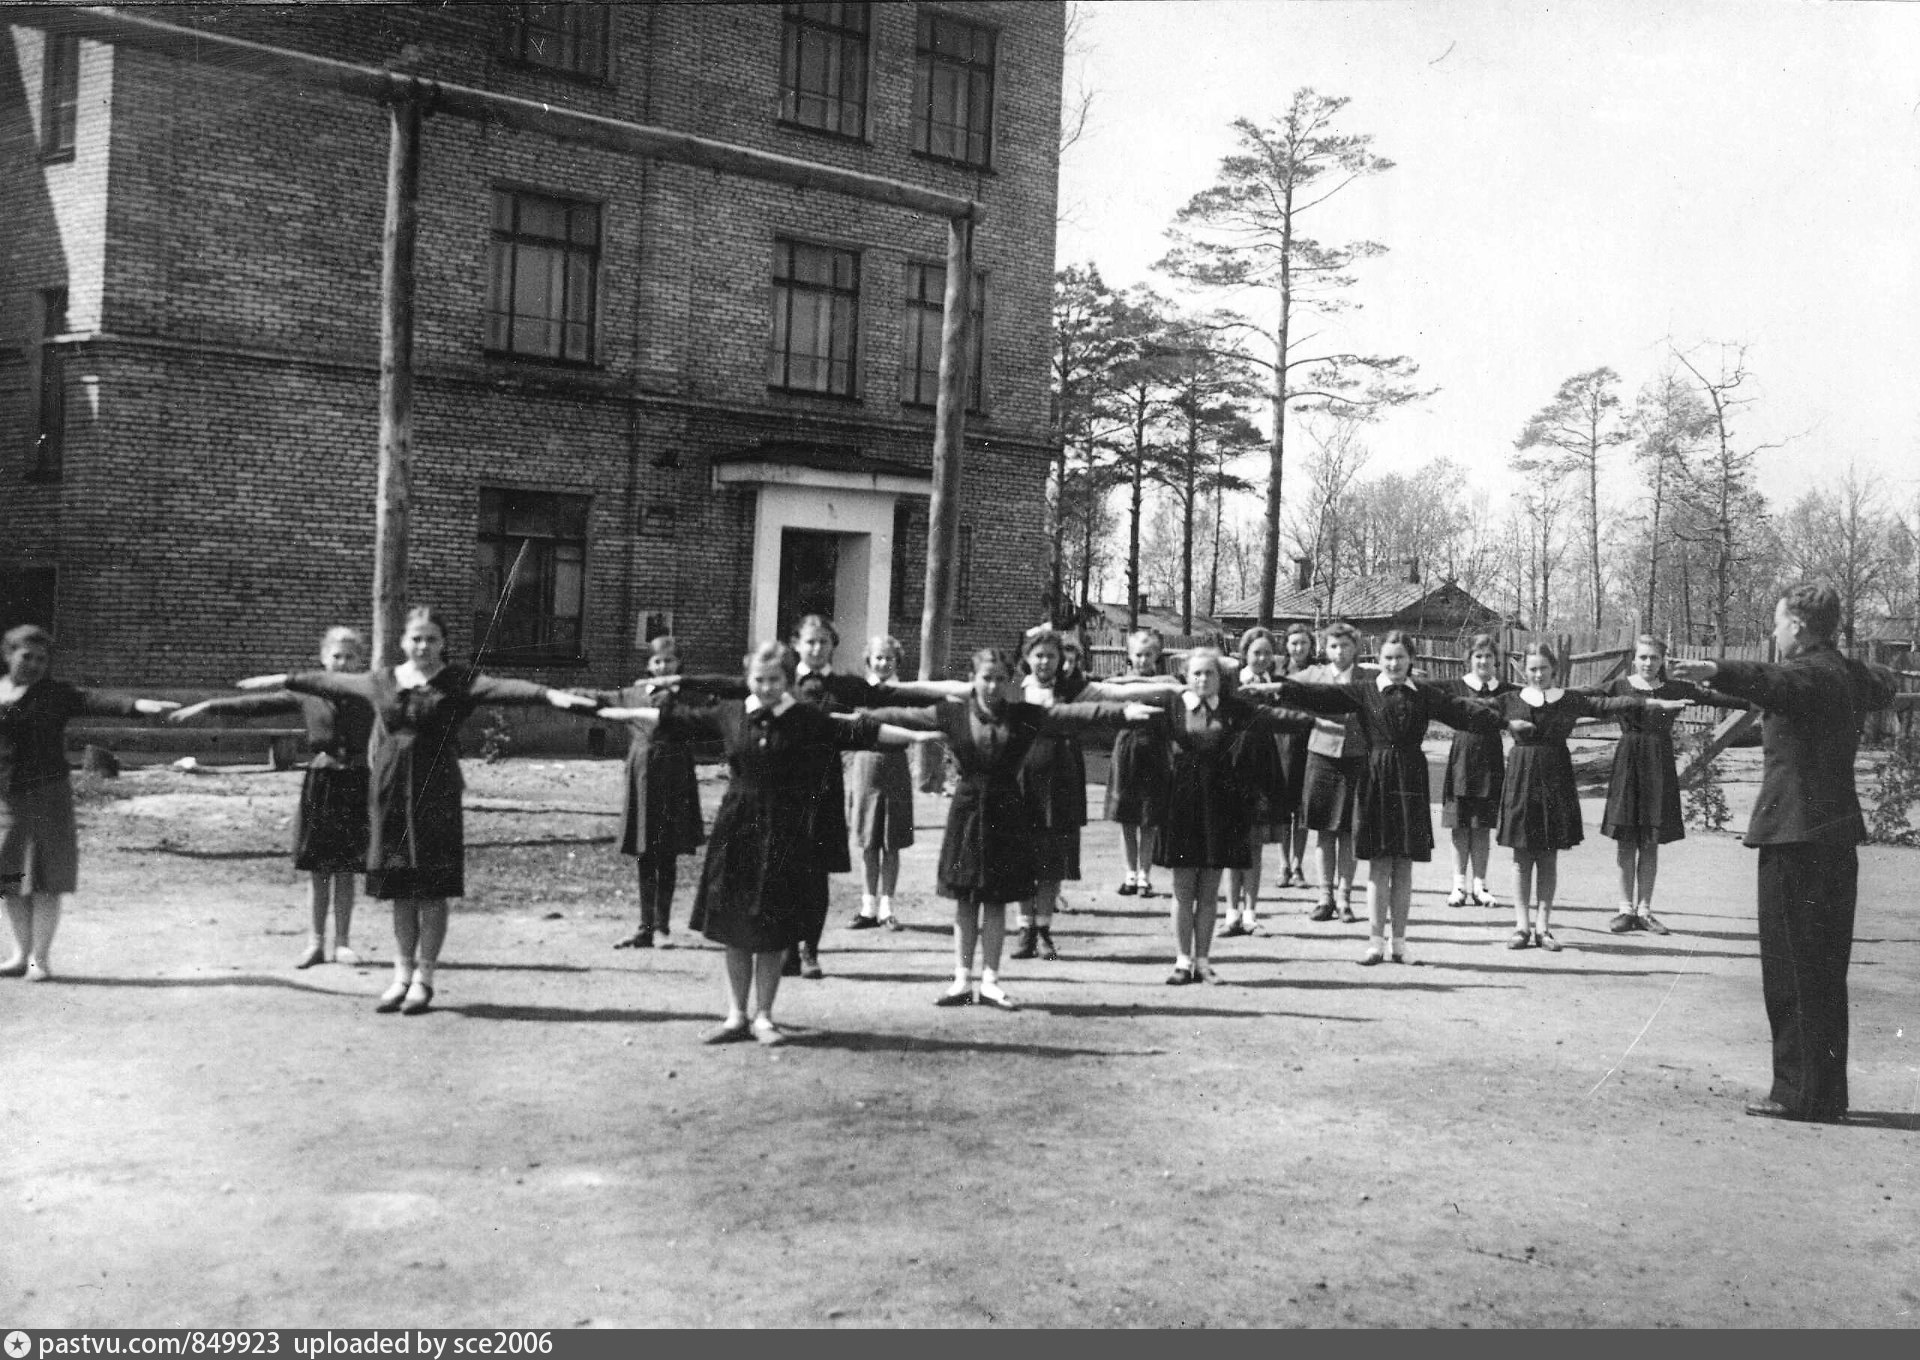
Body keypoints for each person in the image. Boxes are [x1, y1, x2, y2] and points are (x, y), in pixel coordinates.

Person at [242, 606, 602, 1015]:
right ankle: (400, 976)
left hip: (436, 789)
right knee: (400, 887)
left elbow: (504, 687)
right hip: (391, 789)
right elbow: (330, 679)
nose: (423, 646)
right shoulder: (383, 680)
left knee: (431, 886)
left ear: (443, 643)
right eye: (416, 638)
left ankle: (424, 978)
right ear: (402, 643)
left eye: (431, 638)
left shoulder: (459, 681)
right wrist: (281, 679)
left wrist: (549, 695)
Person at [598, 642, 935, 1044]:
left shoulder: (807, 718)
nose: (767, 687)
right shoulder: (730, 713)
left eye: (775, 680)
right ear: (748, 678)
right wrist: (608, 710)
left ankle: (764, 1017)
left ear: (788, 681)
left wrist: (924, 736)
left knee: (773, 931)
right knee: (733, 927)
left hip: (784, 833)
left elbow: (862, 729)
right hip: (737, 831)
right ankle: (736, 1015)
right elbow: (671, 718)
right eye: (759, 679)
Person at [1671, 584, 1895, 1123]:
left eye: (1777, 623)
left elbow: (1773, 680)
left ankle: (1797, 1094)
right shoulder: (1843, 675)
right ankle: (1825, 1093)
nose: (1773, 633)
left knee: (1792, 968)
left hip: (1796, 838)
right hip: (1834, 836)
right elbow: (1880, 683)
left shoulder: (1808, 675)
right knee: (1823, 968)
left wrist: (1715, 669)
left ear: (1798, 625)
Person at [860, 648, 1157, 1009]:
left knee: (997, 902)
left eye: (1001, 678)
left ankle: (990, 981)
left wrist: (1122, 712)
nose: (993, 685)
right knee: (965, 903)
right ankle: (960, 980)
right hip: (966, 814)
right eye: (986, 677)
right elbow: (901, 714)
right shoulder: (951, 713)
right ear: (973, 679)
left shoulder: (1023, 715)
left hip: (1006, 813)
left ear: (1009, 681)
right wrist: (853, 715)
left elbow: (1069, 715)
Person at [668, 615, 953, 978]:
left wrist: (944, 700)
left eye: (824, 642)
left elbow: (889, 699)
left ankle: (810, 950)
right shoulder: (775, 680)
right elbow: (726, 688)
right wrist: (679, 680)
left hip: (823, 789)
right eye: (810, 642)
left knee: (815, 873)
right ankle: (782, 946)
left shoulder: (846, 686)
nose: (817, 649)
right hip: (781, 792)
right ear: (797, 644)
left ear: (833, 645)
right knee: (779, 869)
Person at [1243, 631, 1519, 966]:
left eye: (1400, 657)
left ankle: (1399, 944)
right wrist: (1277, 689)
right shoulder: (1364, 691)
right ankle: (1375, 943)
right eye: (1388, 657)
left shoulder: (1425, 694)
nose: (1393, 664)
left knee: (1403, 866)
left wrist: (1507, 719)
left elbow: (1464, 712)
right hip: (1376, 780)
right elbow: (1320, 695)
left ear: (1411, 659)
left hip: (1411, 780)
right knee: (1378, 865)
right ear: (1379, 658)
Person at [169, 625, 375, 968]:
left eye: (350, 656)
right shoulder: (306, 694)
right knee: (317, 866)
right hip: (322, 780)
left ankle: (343, 942)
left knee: (345, 868)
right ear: (323, 659)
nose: (342, 662)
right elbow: (257, 704)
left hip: (356, 780)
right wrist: (209, 705)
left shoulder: (368, 691)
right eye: (336, 656)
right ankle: (315, 943)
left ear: (360, 660)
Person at [1, 625, 179, 981]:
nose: (35, 664)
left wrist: (136, 705)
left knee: (46, 879)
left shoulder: (54, 694)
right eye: (27, 656)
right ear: (8, 655)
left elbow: (93, 700)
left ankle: (41, 959)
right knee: (10, 880)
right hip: (5, 799)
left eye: (42, 658)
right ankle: (19, 954)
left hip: (48, 793)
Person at [1492, 643, 1686, 952]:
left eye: (1543, 668)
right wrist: (1505, 723)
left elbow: (1612, 705)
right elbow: (1467, 711)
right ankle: (1521, 926)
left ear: (1554, 670)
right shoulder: (1508, 700)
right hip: (1521, 779)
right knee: (1521, 856)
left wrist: (1652, 703)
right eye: (1532, 669)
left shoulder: (1569, 700)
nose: (1538, 674)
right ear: (1523, 671)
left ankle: (1543, 927)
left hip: (1555, 778)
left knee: (1548, 855)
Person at [1141, 648, 1310, 982]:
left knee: (1208, 891)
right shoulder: (1172, 708)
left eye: (1210, 673)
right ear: (1186, 677)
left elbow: (1275, 717)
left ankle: (1203, 962)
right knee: (1182, 890)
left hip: (1220, 805)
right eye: (1197, 673)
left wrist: (1314, 721)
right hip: (1182, 806)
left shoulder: (1234, 709)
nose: (1203, 679)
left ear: (1221, 679)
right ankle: (1182, 962)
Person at [1015, 626, 1178, 960]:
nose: (1045, 662)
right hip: (1021, 780)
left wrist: (1179, 687)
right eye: (1038, 655)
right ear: (1027, 658)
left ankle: (1043, 929)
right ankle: (1023, 928)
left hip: (1061, 777)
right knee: (1023, 859)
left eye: (1051, 656)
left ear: (1061, 660)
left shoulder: (1074, 689)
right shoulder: (1012, 691)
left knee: (1052, 860)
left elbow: (1116, 693)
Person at [1598, 635, 1748, 935]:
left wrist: (1755, 701)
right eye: (1643, 657)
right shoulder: (1619, 686)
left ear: (1662, 660)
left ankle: (1645, 910)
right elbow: (1588, 699)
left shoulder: (1674, 688)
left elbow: (1714, 698)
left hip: (1658, 763)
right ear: (1634, 659)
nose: (1648, 663)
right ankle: (1625, 910)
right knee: (1626, 839)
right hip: (1628, 762)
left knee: (1650, 840)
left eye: (1654, 658)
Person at [584, 635, 707, 951]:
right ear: (648, 665)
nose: (663, 666)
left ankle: (662, 925)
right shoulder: (633, 695)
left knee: (667, 852)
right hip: (643, 778)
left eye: (670, 660)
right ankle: (644, 926)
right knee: (644, 850)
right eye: (657, 661)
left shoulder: (689, 698)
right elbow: (597, 698)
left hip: (675, 777)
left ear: (679, 664)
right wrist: (554, 695)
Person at [1220, 626, 1316, 937]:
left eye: (1266, 653)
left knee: (1256, 846)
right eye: (1255, 652)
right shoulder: (1229, 684)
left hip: (1264, 765)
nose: (1261, 658)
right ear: (1244, 654)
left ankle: (1251, 914)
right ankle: (1231, 914)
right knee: (1232, 843)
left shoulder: (1277, 687)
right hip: (1234, 766)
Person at [844, 635, 915, 931]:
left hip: (895, 768)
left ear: (897, 662)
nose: (884, 663)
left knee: (892, 841)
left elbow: (910, 728)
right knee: (868, 841)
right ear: (868, 662)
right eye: (878, 658)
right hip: (865, 768)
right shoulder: (859, 693)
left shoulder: (904, 693)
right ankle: (867, 906)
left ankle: (887, 907)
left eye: (889, 658)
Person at [1440, 633, 1516, 910]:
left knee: (1482, 826)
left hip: (1490, 760)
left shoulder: (1506, 691)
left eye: (1488, 656)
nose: (1483, 661)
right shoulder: (1456, 688)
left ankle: (1480, 885)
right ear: (1469, 660)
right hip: (1462, 758)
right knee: (1460, 825)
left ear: (1497, 660)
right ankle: (1458, 885)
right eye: (1478, 656)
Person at [1300, 621, 1367, 923]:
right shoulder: (1313, 677)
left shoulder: (1367, 678)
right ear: (1324, 649)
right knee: (1324, 830)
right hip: (1322, 756)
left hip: (1356, 758)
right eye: (1334, 646)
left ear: (1356, 649)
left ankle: (1345, 898)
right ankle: (1324, 896)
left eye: (1346, 646)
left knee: (1349, 831)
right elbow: (1290, 697)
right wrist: (1315, 720)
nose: (1340, 652)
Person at [1104, 628, 1171, 902]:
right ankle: (1130, 874)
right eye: (1138, 655)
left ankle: (1145, 875)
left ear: (1157, 656)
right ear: (1130, 657)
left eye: (1149, 655)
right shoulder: (1121, 683)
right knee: (1127, 818)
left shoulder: (1165, 684)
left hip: (1154, 751)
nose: (1143, 660)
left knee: (1149, 820)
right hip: (1127, 749)